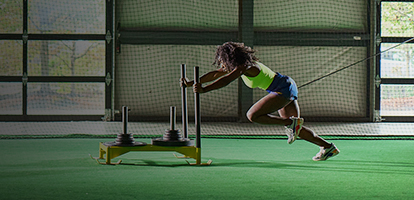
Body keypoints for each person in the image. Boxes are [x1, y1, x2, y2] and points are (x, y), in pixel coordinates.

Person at [181, 42, 339, 161]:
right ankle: (327, 147)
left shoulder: (243, 67)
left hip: (282, 89)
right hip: (286, 86)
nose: (221, 64)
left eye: (222, 60)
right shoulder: (239, 66)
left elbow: (225, 81)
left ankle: (289, 124)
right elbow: (216, 74)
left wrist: (204, 90)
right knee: (295, 127)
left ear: (230, 59)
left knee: (253, 115)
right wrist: (191, 83)